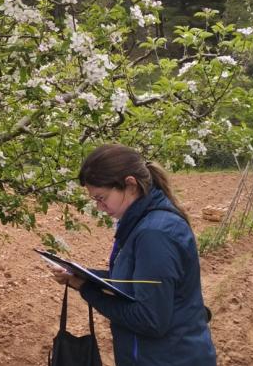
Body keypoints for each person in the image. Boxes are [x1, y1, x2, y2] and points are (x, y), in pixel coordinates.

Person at [50, 144, 216, 366]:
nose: (100, 207)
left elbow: (150, 320)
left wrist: (86, 289)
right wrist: (81, 275)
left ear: (130, 184)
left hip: (168, 358)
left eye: (102, 197)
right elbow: (136, 281)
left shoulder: (154, 233)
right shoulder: (142, 223)